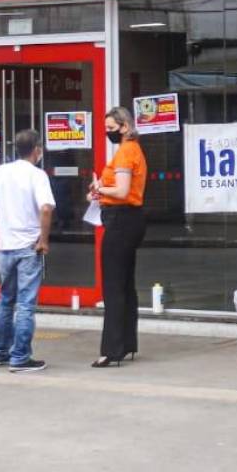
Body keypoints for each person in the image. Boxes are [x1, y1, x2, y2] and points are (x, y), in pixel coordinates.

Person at [0, 128, 54, 373]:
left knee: (5, 301)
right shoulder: (37, 175)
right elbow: (46, 208)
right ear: (37, 150)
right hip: (29, 247)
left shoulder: (1, 172)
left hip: (5, 248)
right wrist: (44, 240)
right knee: (26, 305)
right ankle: (20, 357)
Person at [88, 107, 147, 367]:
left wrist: (100, 189)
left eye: (111, 128)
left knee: (113, 285)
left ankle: (111, 350)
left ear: (125, 126)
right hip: (131, 219)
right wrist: (101, 191)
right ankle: (127, 344)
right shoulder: (134, 150)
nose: (108, 132)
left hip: (121, 220)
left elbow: (122, 191)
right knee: (125, 284)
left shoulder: (125, 152)